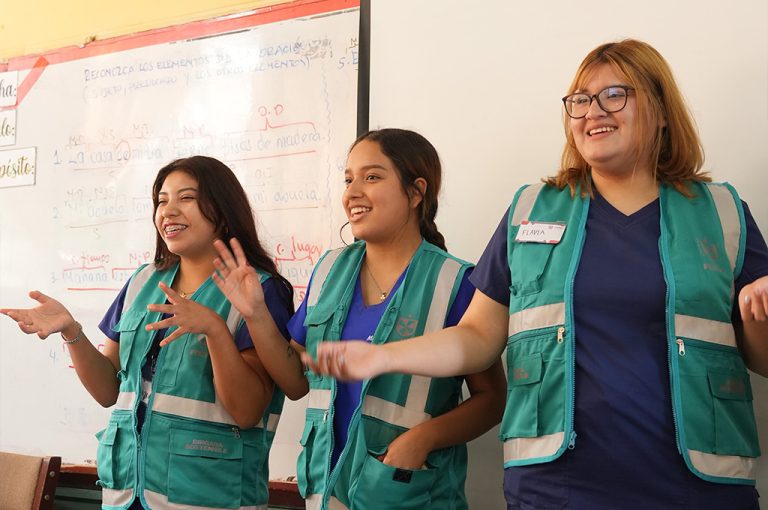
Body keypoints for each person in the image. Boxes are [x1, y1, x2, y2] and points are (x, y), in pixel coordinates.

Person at [304, 40, 768, 510]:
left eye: (614, 95)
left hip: (697, 487)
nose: (592, 112)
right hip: (558, 486)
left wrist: (759, 317)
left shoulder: (721, 213)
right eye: (580, 101)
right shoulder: (530, 210)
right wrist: (382, 357)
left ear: (662, 109)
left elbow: (762, 358)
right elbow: (477, 338)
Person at [211, 128, 506, 510]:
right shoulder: (330, 269)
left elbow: (492, 399)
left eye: (372, 177)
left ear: (416, 192)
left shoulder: (458, 282)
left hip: (407, 492)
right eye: (348, 179)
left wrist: (422, 439)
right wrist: (255, 314)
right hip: (324, 492)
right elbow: (296, 382)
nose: (352, 193)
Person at [1, 155, 294, 510]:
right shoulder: (143, 281)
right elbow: (110, 391)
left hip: (209, 495)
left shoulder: (260, 291)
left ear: (223, 208)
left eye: (186, 198)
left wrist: (215, 332)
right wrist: (71, 331)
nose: (168, 211)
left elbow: (248, 411)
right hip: (129, 493)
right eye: (161, 200)